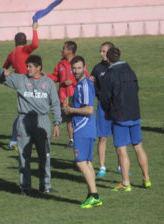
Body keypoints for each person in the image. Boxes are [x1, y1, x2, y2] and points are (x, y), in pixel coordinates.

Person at [0, 55, 62, 195]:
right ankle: (25, 187)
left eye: (30, 66)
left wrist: (57, 123)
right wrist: (2, 72)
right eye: (27, 66)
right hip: (24, 120)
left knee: (44, 155)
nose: (27, 69)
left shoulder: (48, 83)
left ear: (39, 68)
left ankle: (45, 186)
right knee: (23, 155)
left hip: (42, 121)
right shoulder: (21, 79)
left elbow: (55, 104)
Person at [100, 47, 151, 191]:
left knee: (122, 149)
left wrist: (108, 111)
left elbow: (104, 98)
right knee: (138, 146)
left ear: (108, 59)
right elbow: (137, 89)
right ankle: (146, 178)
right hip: (135, 114)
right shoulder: (130, 70)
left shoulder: (110, 74)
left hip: (120, 116)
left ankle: (126, 183)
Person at [63, 56, 102, 208]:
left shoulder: (85, 85)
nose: (76, 71)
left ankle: (94, 196)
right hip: (87, 128)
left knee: (80, 163)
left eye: (79, 68)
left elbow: (89, 109)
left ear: (85, 67)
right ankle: (92, 194)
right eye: (74, 68)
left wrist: (70, 109)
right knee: (87, 163)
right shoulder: (80, 84)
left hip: (83, 128)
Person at [3, 22, 39, 150]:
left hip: (19, 85)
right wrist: (34, 30)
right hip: (29, 84)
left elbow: (4, 69)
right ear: (25, 41)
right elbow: (35, 44)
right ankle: (16, 140)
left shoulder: (11, 54)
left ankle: (20, 139)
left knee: (25, 113)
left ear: (15, 42)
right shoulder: (24, 50)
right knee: (28, 113)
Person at [47, 41, 89, 148]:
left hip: (76, 96)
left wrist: (73, 82)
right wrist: (44, 76)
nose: (62, 50)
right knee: (68, 119)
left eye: (64, 48)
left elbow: (86, 77)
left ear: (70, 51)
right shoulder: (60, 63)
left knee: (77, 118)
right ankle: (72, 140)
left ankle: (80, 138)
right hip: (63, 97)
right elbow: (55, 77)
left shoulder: (79, 62)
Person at [91, 41, 117, 177]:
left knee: (118, 136)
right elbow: (92, 85)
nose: (102, 54)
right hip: (103, 107)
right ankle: (102, 167)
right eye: (101, 51)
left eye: (104, 51)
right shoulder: (97, 68)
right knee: (102, 138)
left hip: (117, 107)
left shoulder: (118, 68)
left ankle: (120, 165)